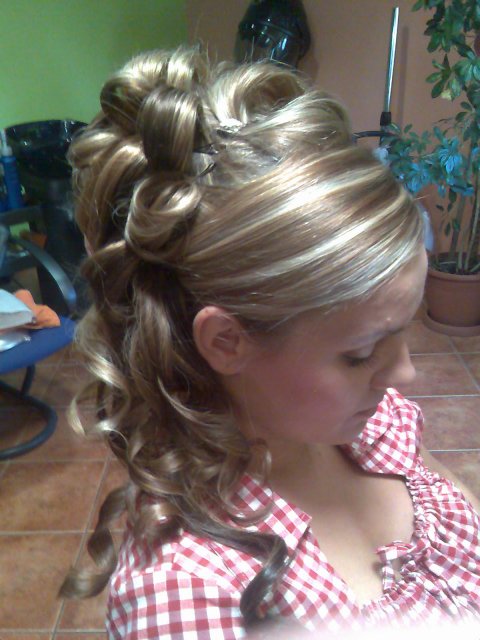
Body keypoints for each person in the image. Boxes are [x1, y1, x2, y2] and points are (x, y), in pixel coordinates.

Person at [59, 46, 480, 638]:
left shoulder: (368, 425)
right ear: (227, 341)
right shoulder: (190, 594)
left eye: (403, 331)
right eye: (361, 353)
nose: (403, 375)